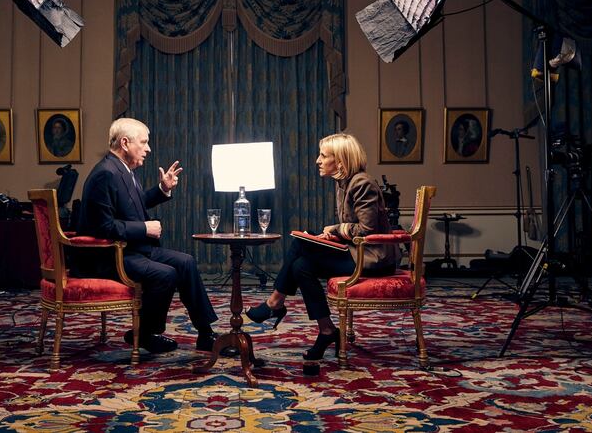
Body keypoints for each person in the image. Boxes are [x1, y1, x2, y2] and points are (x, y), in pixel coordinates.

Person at [246, 133, 400, 363]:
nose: (318, 160)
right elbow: (356, 229)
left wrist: (336, 229)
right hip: (357, 252)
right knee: (301, 266)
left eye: (323, 155)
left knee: (300, 244)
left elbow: (367, 230)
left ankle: (275, 303)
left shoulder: (361, 183)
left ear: (340, 161)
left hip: (373, 258)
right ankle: (327, 330)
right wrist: (332, 235)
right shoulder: (344, 183)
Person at [75, 118, 219, 354]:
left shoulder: (124, 169)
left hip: (132, 249)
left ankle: (205, 334)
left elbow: (134, 205)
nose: (148, 148)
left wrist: (162, 189)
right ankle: (145, 333)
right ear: (125, 142)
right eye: (143, 142)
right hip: (109, 256)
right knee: (166, 274)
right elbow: (102, 227)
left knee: (186, 262)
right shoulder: (106, 174)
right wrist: (144, 229)